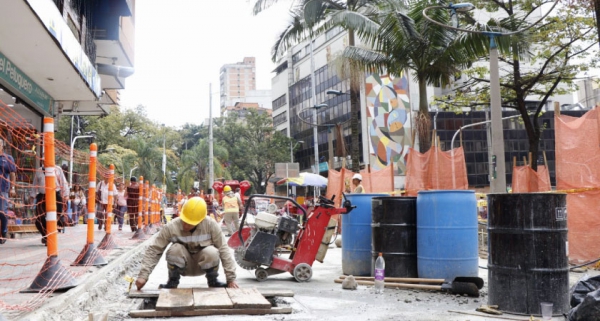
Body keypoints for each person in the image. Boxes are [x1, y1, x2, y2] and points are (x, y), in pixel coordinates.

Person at [135, 197, 239, 290]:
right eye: (184, 220)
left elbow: (224, 249)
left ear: (200, 220)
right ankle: (172, 282)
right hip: (182, 267)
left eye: (189, 223)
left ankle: (213, 281)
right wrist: (143, 276)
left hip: (202, 265)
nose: (185, 225)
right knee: (175, 249)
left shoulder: (210, 225)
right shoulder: (171, 227)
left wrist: (231, 279)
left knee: (212, 252)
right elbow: (155, 249)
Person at [31, 162, 69, 244]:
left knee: (55, 218)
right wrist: (32, 197)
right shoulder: (39, 171)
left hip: (55, 195)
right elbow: (34, 185)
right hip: (42, 196)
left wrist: (66, 195)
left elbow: (63, 182)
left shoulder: (58, 169)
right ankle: (46, 235)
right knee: (39, 219)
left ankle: (50, 236)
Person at [0, 138, 16, 244]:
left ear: (2, 145)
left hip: (3, 190)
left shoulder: (8, 158)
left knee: (2, 212)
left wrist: (13, 188)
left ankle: (4, 231)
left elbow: (13, 174)